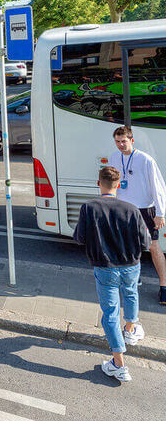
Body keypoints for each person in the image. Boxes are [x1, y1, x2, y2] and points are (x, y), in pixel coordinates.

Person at [73, 167, 151, 382]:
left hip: (105, 267)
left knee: (110, 313)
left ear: (99, 183)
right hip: (130, 265)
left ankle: (118, 363)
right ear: (119, 185)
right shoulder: (131, 209)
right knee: (131, 294)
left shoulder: (89, 208)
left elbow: (79, 238)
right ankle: (130, 330)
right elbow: (145, 243)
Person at [108, 126, 166, 305]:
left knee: (154, 247)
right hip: (124, 208)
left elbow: (158, 187)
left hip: (145, 209)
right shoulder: (114, 157)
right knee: (129, 245)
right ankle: (135, 278)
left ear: (132, 141)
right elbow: (110, 182)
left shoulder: (145, 160)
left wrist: (160, 213)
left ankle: (164, 286)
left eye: (123, 141)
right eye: (117, 141)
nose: (120, 145)